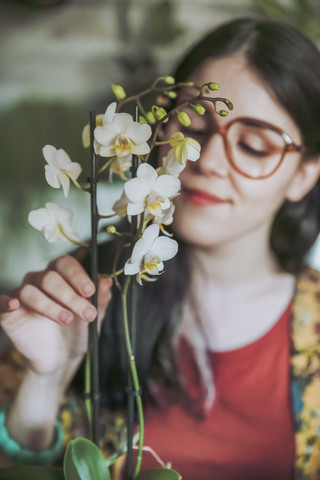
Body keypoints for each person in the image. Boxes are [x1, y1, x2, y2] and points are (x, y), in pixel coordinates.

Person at [1, 16, 320, 480]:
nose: (205, 161)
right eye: (193, 127)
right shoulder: (86, 285)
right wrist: (47, 376)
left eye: (252, 146)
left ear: (305, 175)